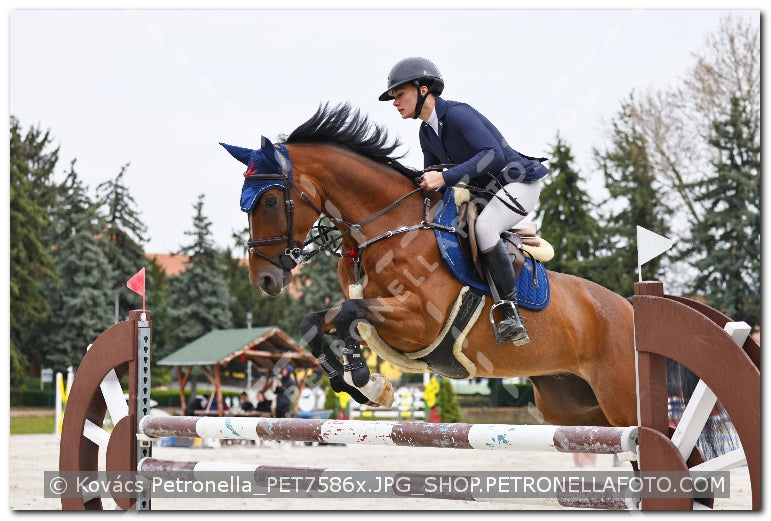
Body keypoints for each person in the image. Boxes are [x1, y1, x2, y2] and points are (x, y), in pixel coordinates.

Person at [379, 57, 549, 346]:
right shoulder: (426, 132)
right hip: (487, 194)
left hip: (518, 183)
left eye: (399, 94)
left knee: (484, 228)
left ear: (423, 90)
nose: (395, 102)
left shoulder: (458, 114)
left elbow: (492, 154)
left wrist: (444, 178)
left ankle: (510, 312)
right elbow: (432, 178)